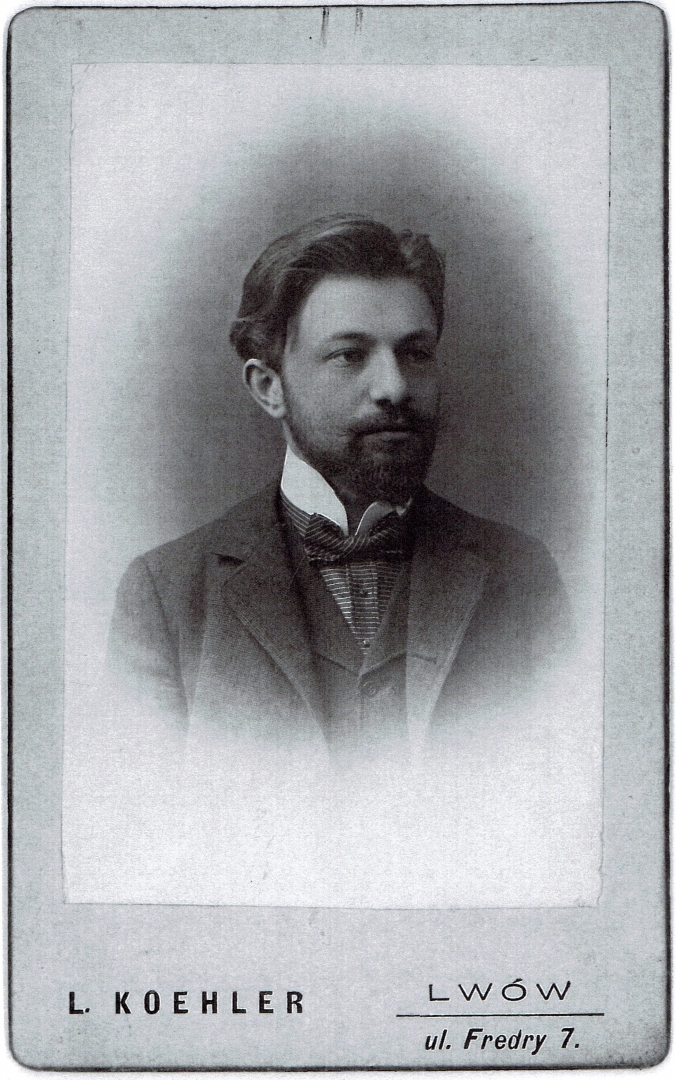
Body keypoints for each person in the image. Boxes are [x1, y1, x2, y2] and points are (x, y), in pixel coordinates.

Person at [108, 216, 572, 767]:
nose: (394, 387)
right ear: (269, 387)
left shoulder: (523, 577)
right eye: (349, 355)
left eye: (416, 353)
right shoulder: (166, 597)